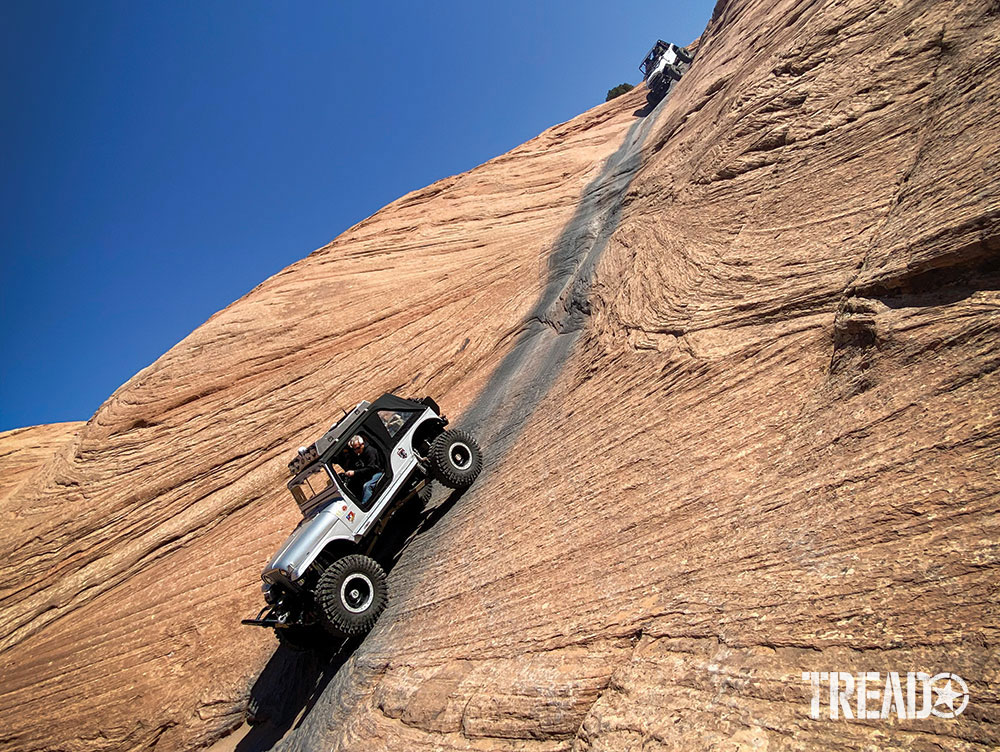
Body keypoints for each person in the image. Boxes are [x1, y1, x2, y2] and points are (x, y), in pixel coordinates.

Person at [342, 434, 383, 505]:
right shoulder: (361, 453)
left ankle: (366, 505)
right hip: (371, 473)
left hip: (378, 472)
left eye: (357, 448)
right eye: (354, 449)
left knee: (367, 486)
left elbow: (371, 468)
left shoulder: (370, 451)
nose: (356, 451)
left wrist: (355, 472)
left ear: (362, 444)